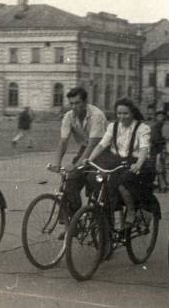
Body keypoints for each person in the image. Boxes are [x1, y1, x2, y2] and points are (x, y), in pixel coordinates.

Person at [85, 98, 153, 228]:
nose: (121, 117)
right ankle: (101, 211)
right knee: (94, 177)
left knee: (122, 182)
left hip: (135, 161)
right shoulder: (113, 126)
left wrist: (138, 164)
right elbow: (102, 145)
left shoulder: (142, 128)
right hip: (116, 160)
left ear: (132, 113)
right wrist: (90, 159)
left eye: (125, 113)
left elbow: (144, 149)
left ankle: (131, 211)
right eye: (119, 113)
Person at [49, 87, 107, 236]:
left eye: (78, 103)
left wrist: (76, 165)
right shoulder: (69, 116)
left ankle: (105, 232)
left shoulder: (96, 115)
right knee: (70, 182)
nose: (74, 106)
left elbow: (93, 145)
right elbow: (63, 142)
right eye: (71, 103)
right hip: (85, 149)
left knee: (97, 185)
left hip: (103, 151)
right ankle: (75, 222)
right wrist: (56, 162)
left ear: (85, 102)